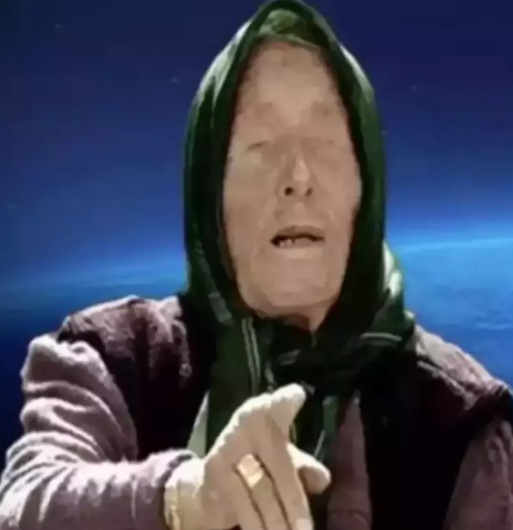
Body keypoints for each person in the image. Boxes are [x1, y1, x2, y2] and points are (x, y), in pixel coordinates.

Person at [0, 0, 512, 529]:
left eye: (326, 143)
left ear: (367, 189)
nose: (298, 177)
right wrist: (184, 501)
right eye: (261, 145)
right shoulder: (114, 357)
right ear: (210, 196)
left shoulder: (460, 419)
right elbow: (24, 504)